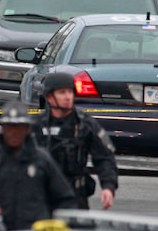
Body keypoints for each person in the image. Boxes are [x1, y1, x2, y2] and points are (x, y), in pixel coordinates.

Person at [0, 101, 77, 231]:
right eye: (9, 127)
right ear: (2, 128)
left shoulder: (42, 160)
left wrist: (54, 226)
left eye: (18, 127)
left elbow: (66, 199)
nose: (13, 132)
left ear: (27, 129)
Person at [34, 72, 118, 209]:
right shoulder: (36, 126)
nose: (68, 97)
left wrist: (108, 186)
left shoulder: (85, 124)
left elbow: (105, 158)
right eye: (62, 93)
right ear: (49, 97)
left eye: (70, 92)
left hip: (75, 196)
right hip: (42, 197)